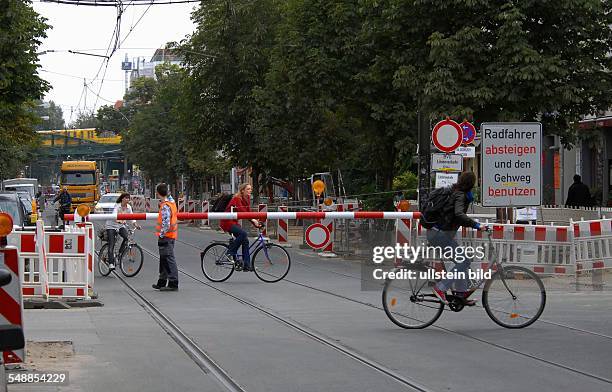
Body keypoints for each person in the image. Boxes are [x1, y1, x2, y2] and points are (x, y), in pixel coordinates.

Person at [426, 172, 486, 305]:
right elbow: (458, 214)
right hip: (439, 235)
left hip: (438, 233)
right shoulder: (460, 195)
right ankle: (440, 288)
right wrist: (476, 225)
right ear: (471, 184)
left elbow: (456, 216)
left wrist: (475, 225)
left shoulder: (457, 192)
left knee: (463, 261)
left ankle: (460, 295)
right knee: (464, 261)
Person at [219, 184, 261, 271]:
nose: (250, 190)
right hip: (227, 222)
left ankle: (246, 265)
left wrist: (255, 223)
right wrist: (253, 220)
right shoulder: (237, 198)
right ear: (242, 190)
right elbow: (242, 211)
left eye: (250, 189)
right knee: (243, 233)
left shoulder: (247, 199)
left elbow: (247, 212)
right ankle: (230, 252)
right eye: (248, 189)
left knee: (245, 240)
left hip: (234, 222)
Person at [152, 183, 179, 291]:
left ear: (157, 193)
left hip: (166, 236)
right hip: (172, 235)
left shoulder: (165, 206)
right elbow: (170, 196)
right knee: (164, 259)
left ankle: (173, 282)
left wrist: (162, 234)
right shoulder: (171, 202)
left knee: (168, 259)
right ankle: (162, 281)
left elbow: (166, 223)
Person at [105, 193, 141, 270]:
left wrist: (136, 225)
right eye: (126, 198)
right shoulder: (117, 206)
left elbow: (132, 217)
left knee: (126, 238)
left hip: (121, 226)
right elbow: (114, 215)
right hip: (111, 226)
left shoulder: (129, 207)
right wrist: (119, 221)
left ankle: (119, 255)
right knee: (112, 243)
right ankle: (111, 263)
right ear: (122, 199)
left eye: (128, 198)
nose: (127, 199)